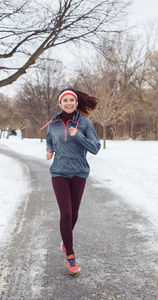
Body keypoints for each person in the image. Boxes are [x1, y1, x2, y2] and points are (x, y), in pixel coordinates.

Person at [41, 88, 101, 275]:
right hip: (59, 172)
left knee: (74, 214)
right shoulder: (54, 124)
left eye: (71, 100)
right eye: (64, 100)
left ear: (76, 103)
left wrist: (79, 136)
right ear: (60, 103)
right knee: (66, 213)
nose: (68, 103)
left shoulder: (84, 123)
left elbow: (95, 148)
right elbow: (49, 140)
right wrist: (49, 151)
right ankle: (71, 256)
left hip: (78, 173)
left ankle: (65, 242)